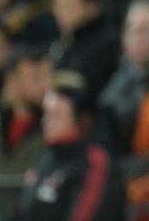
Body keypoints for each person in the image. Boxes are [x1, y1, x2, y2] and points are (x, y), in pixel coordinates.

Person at [16, 71, 126, 221]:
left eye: (56, 115)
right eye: (46, 114)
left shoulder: (96, 161)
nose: (46, 122)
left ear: (81, 119)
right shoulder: (47, 157)